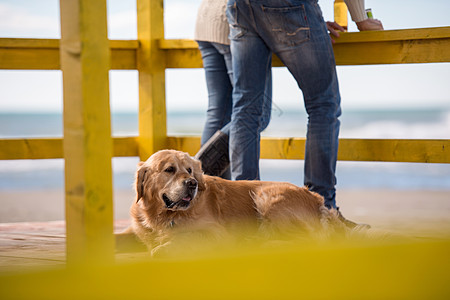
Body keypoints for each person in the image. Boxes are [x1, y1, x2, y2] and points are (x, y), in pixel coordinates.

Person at [221, 0, 383, 227]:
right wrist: (361, 18)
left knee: (246, 108)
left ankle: (243, 213)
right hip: (289, 6)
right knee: (323, 104)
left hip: (241, 6)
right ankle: (322, 211)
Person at [194, 0, 272, 178]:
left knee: (218, 114)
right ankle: (197, 171)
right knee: (257, 113)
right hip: (234, 20)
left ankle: (205, 184)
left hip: (205, 19)